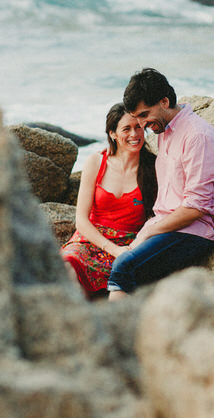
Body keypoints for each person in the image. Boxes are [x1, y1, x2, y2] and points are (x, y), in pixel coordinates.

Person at [107, 68, 214, 299]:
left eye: (144, 115)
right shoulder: (164, 131)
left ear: (164, 101)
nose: (142, 125)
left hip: (197, 230)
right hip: (168, 224)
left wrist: (149, 232)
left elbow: (196, 207)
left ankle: (114, 335)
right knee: (120, 268)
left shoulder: (198, 136)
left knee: (125, 268)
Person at [60, 103, 157, 299]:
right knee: (66, 266)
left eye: (138, 127)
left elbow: (157, 217)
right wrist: (112, 249)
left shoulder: (153, 167)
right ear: (113, 133)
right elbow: (81, 220)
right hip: (91, 240)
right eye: (126, 129)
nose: (134, 134)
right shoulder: (96, 162)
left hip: (130, 243)